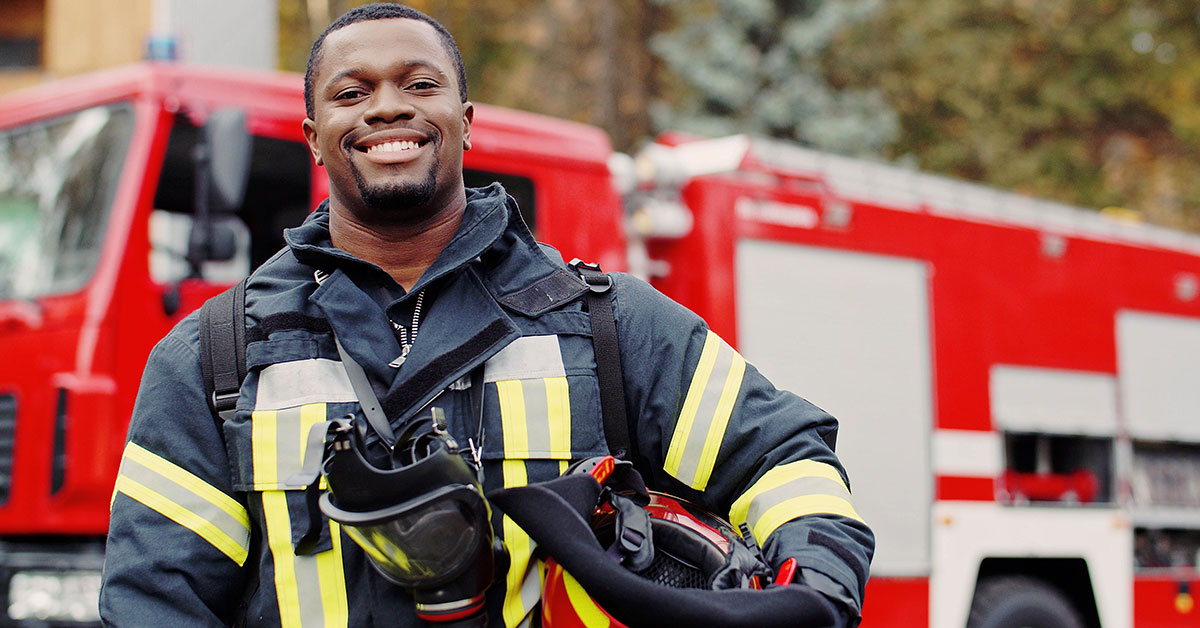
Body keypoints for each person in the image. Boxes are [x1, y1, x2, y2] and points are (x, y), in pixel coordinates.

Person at [98, 3, 874, 627]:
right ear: (314, 137)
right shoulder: (215, 357)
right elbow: (154, 598)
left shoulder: (608, 327)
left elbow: (784, 457)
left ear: (467, 120)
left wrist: (812, 587)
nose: (388, 107)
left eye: (419, 84)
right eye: (351, 92)